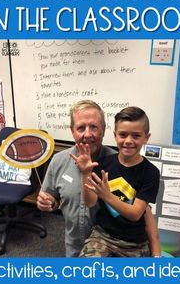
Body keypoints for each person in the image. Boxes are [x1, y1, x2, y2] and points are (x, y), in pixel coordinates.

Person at [37, 100, 161, 257]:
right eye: (81, 128)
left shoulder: (116, 161)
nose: (87, 134)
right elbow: (52, 200)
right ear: (72, 131)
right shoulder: (58, 161)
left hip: (126, 242)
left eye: (94, 127)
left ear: (103, 130)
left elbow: (143, 213)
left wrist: (156, 253)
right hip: (79, 244)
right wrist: (48, 203)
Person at [72, 106, 160, 257]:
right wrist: (86, 172)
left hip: (134, 242)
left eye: (136, 136)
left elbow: (135, 214)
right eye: (123, 135)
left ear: (146, 137)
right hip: (102, 237)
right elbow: (90, 202)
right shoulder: (104, 163)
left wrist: (107, 195)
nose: (128, 141)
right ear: (115, 135)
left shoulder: (150, 172)